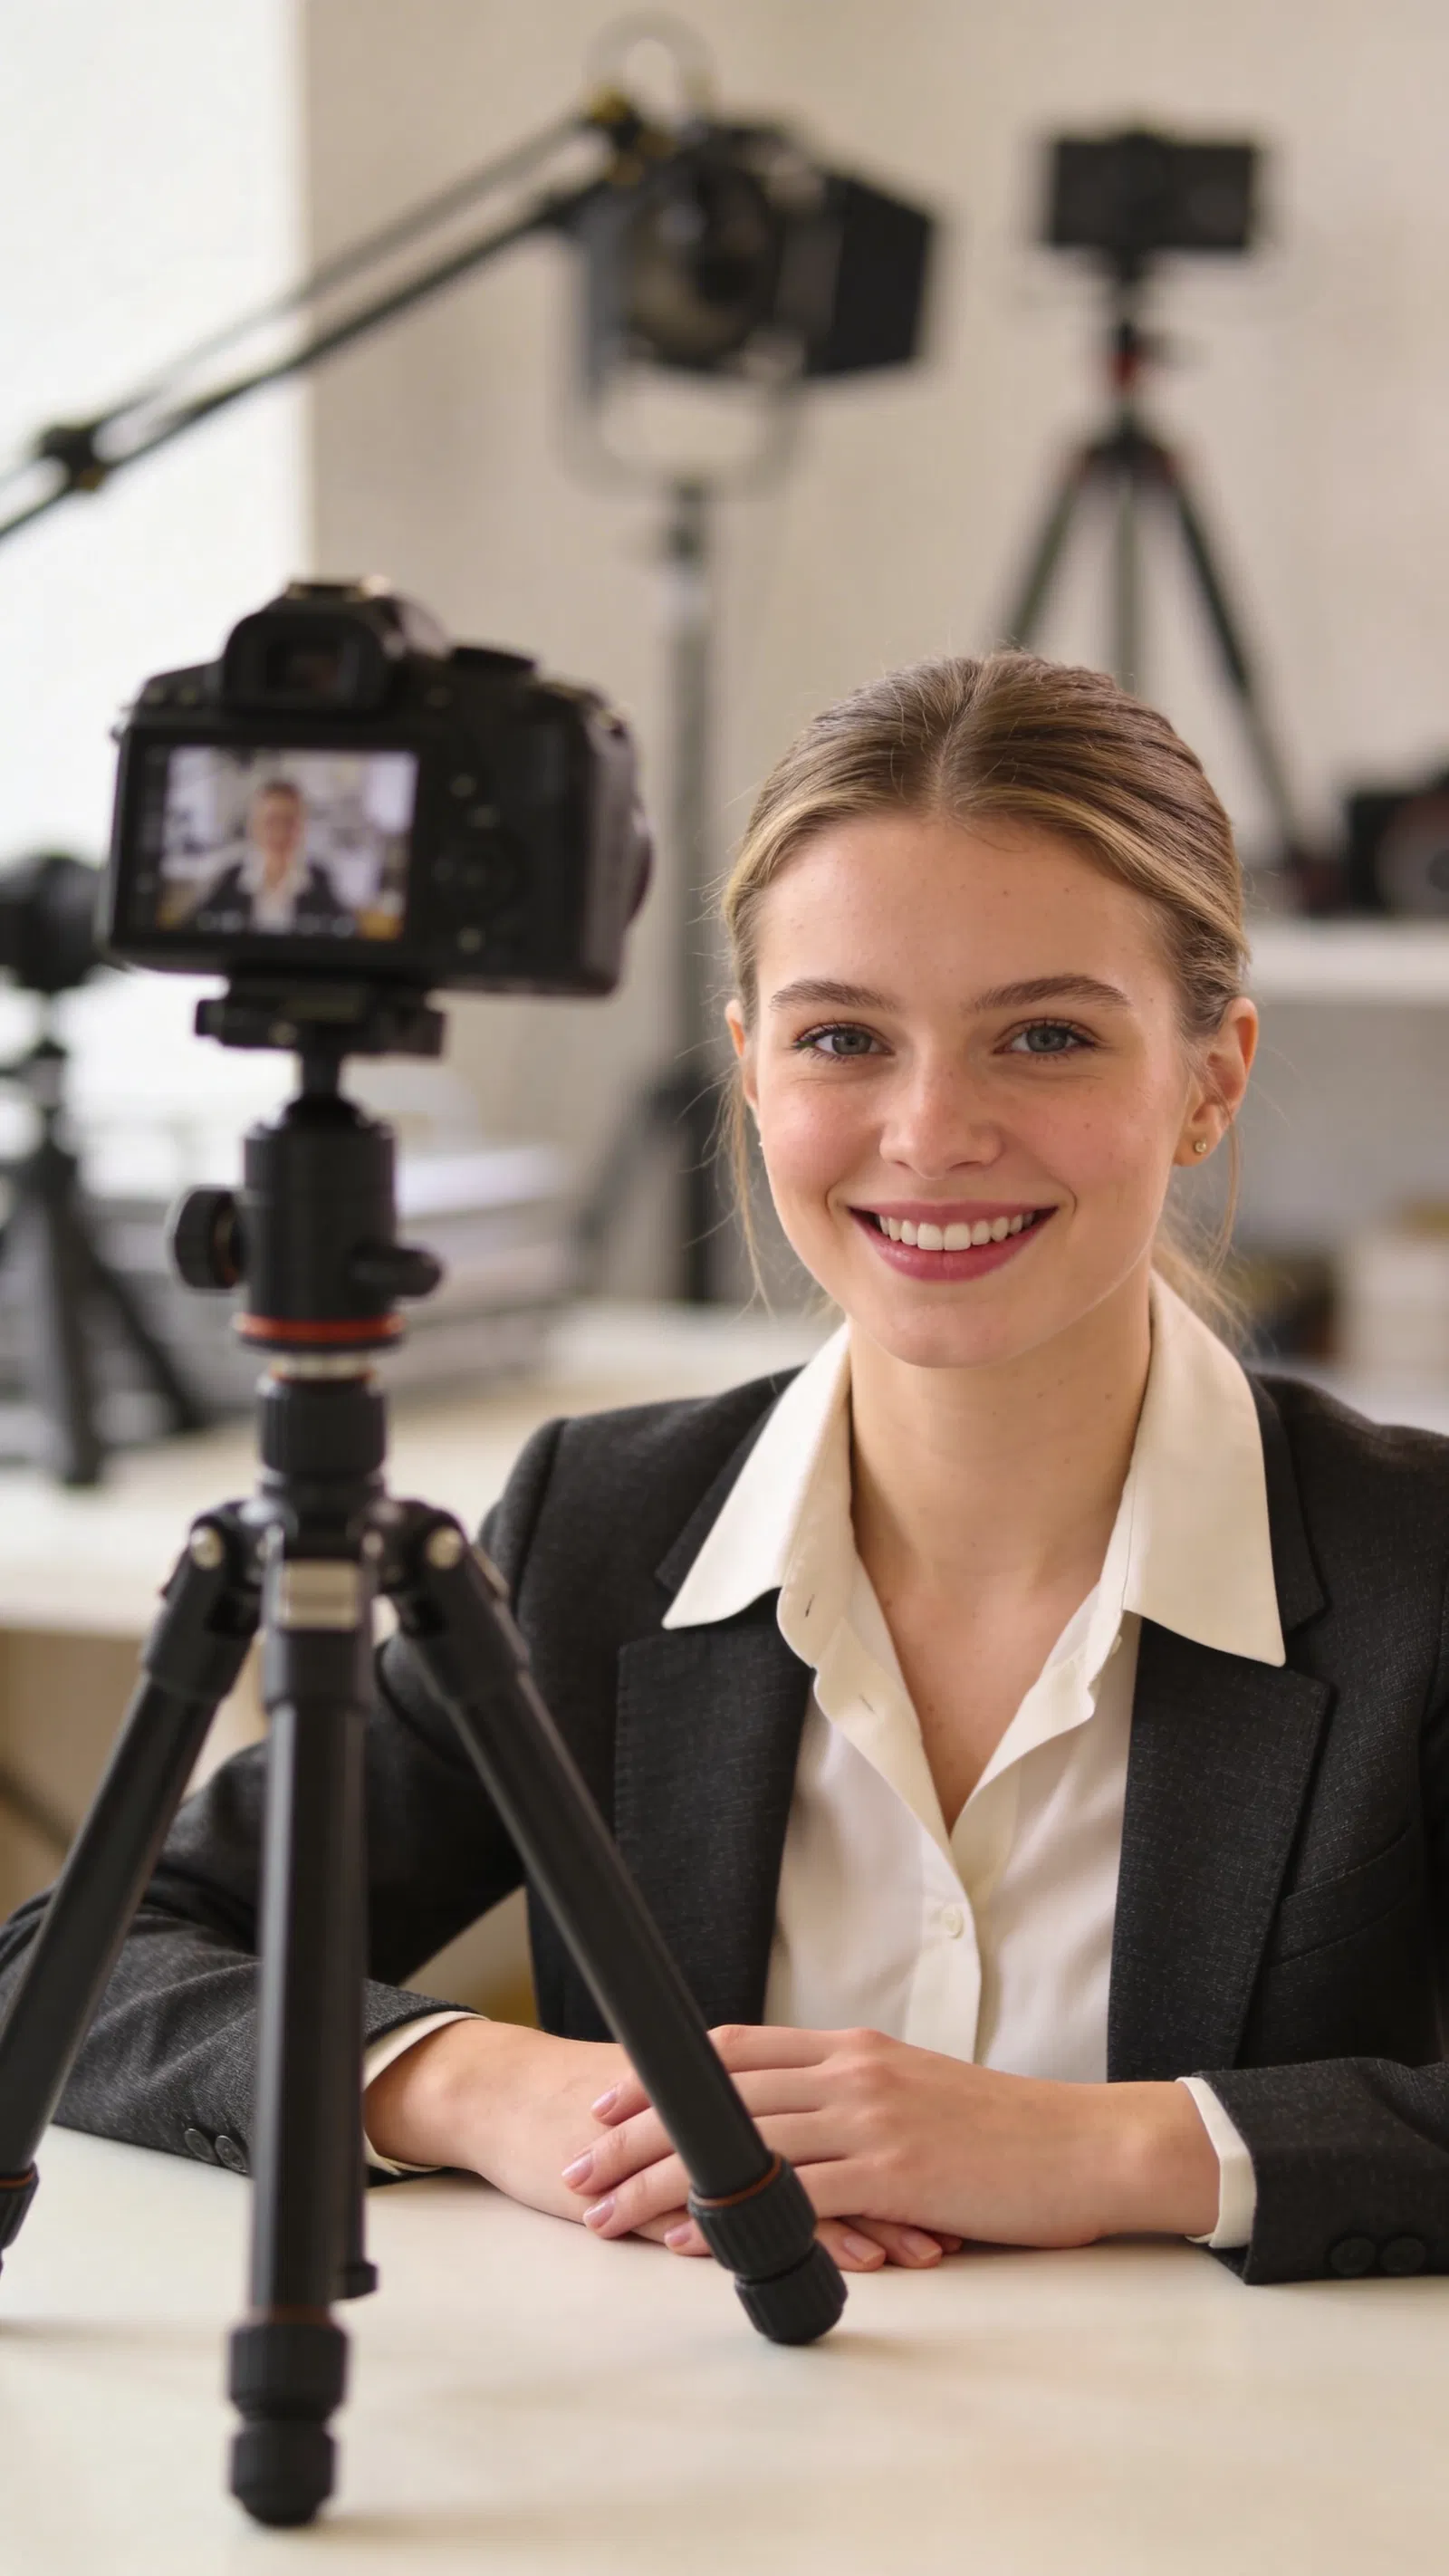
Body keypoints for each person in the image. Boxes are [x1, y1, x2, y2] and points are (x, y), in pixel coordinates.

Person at [4, 652, 1447, 2286]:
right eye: (843, 1037)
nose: (928, 1129)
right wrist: (502, 2084)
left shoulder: (1421, 1565)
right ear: (751, 1065)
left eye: (1044, 1033)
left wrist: (1110, 2143)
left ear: (1211, 1076)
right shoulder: (597, 1530)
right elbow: (76, 1955)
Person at [188, 777, 352, 937]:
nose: (280, 832)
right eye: (270, 821)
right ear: (254, 826)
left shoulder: (320, 878)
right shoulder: (230, 878)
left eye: (289, 821)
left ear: (302, 828)